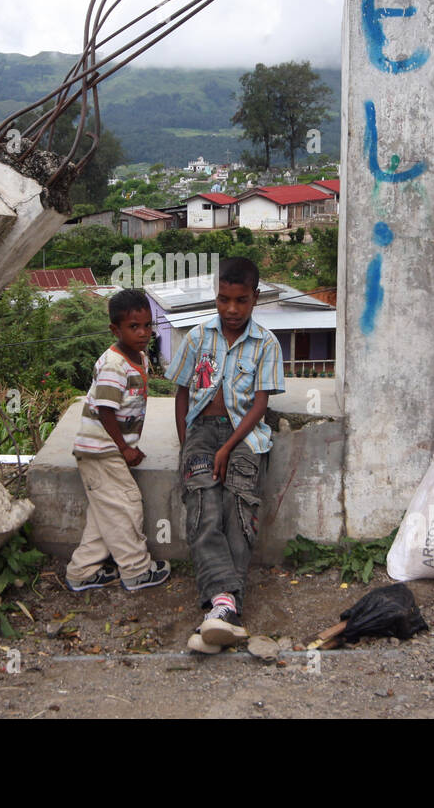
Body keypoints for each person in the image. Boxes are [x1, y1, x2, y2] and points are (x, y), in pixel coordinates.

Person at [165, 257, 284, 653]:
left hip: (245, 437)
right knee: (204, 506)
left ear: (255, 299)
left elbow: (260, 406)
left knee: (239, 509)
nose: (231, 309)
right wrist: (187, 444)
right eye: (223, 299)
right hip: (202, 434)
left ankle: (221, 607)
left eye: (241, 300)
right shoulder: (198, 337)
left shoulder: (266, 343)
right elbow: (182, 393)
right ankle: (226, 605)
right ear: (216, 297)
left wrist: (228, 447)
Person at [65, 288, 171, 593]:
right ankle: (136, 571)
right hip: (102, 450)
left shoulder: (138, 357)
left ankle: (81, 572)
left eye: (147, 325)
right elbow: (105, 410)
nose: (143, 333)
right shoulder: (114, 365)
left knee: (106, 514)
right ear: (115, 329)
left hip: (105, 449)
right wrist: (124, 448)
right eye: (133, 327)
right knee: (126, 505)